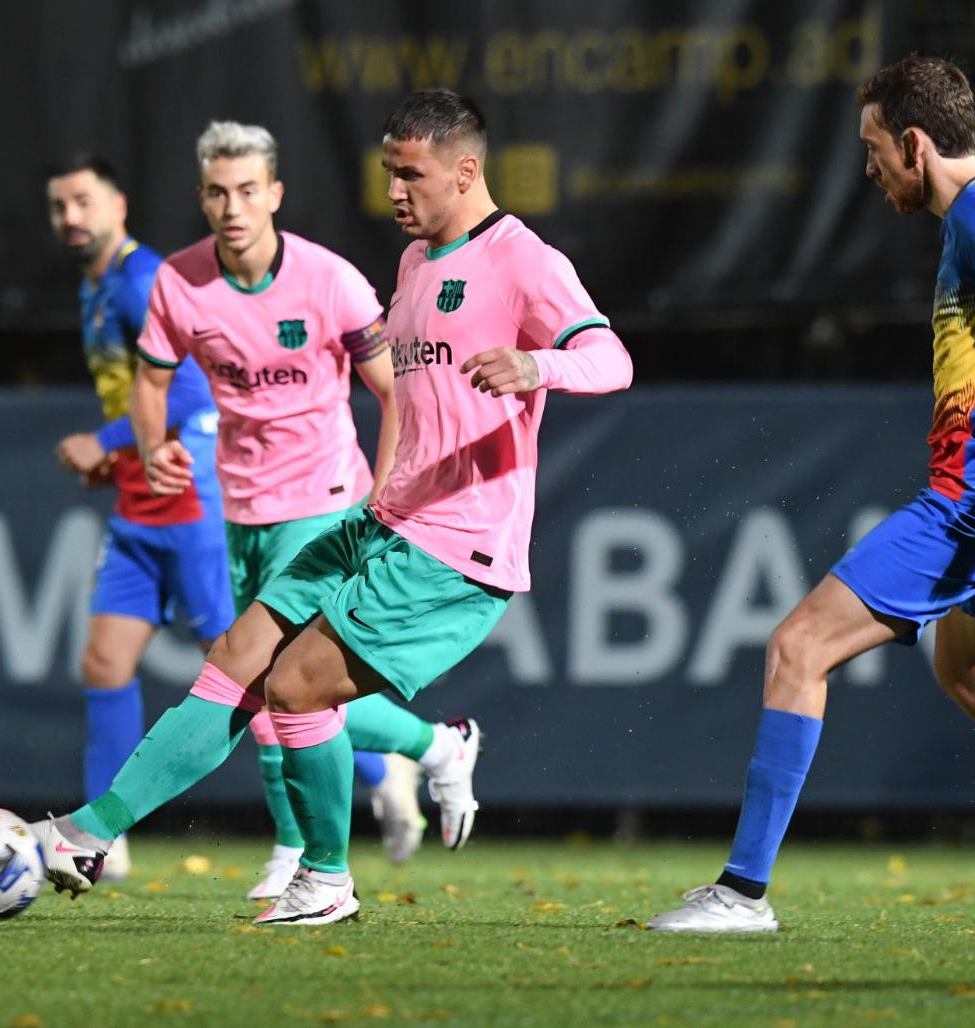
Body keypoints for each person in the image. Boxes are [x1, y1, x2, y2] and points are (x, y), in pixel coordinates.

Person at [36, 89, 633, 925]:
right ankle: (89, 833)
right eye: (388, 173)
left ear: (466, 171)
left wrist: (540, 369)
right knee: (239, 654)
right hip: (384, 520)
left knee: (298, 688)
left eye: (410, 175)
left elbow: (611, 358)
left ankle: (324, 878)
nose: (393, 192)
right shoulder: (416, 262)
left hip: (457, 546)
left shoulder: (522, 260)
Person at [648, 55, 975, 935]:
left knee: (796, 649)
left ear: (916, 143)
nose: (870, 165)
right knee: (972, 672)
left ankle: (743, 894)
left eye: (874, 147)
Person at [68, 121, 468, 901]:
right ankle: (436, 748)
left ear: (275, 194)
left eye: (248, 190)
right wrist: (150, 447)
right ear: (202, 198)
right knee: (270, 692)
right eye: (218, 192)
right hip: (238, 509)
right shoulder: (179, 285)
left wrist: (381, 498)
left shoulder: (332, 283)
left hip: (325, 503)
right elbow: (151, 387)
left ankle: (294, 853)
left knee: (265, 683)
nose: (233, 206)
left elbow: (395, 392)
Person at [45, 154, 235, 881]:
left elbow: (191, 394)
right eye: (59, 206)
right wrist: (116, 461)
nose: (71, 218)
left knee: (248, 671)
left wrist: (107, 440)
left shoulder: (142, 279)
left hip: (186, 496)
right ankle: (98, 838)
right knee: (104, 662)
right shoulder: (95, 286)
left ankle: (408, 757)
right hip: (138, 501)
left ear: (118, 204)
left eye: (83, 201)